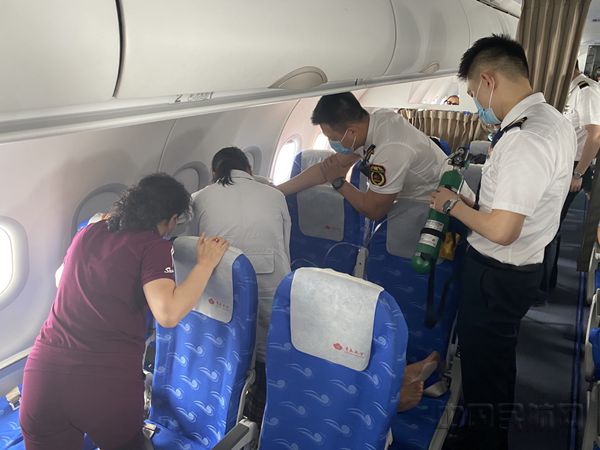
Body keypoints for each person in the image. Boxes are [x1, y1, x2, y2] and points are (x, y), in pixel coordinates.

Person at [430, 35, 575, 450]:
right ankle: (485, 431)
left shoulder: (525, 139)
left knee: (485, 365)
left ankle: (484, 440)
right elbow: (510, 210)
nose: (478, 104)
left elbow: (502, 230)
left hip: (497, 274)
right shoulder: (552, 121)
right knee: (494, 360)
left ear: (489, 80)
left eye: (475, 93)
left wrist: (450, 206)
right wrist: (471, 203)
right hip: (517, 268)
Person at [20, 174, 229, 450]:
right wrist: (205, 264)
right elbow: (168, 313)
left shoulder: (88, 232)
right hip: (104, 384)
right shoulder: (153, 245)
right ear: (171, 219)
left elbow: (60, 279)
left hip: (43, 375)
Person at [188, 147, 292, 423]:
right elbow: (284, 244)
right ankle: (263, 411)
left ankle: (225, 404)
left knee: (226, 341)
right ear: (249, 169)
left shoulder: (200, 197)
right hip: (270, 280)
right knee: (268, 347)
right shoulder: (275, 195)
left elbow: (193, 247)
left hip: (223, 282)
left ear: (214, 172)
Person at [277, 92, 473, 221]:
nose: (331, 143)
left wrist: (339, 183)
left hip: (443, 204)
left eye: (333, 138)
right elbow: (327, 169)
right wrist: (278, 191)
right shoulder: (367, 123)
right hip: (416, 200)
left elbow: (374, 211)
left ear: (351, 132)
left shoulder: (391, 150)